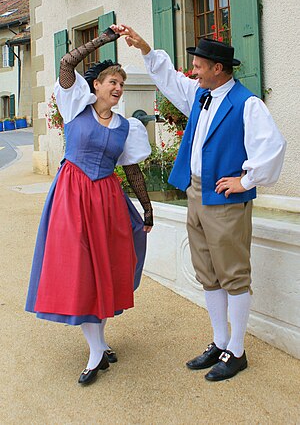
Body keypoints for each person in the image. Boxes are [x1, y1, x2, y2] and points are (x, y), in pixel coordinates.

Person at [112, 24, 286, 381]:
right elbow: (169, 79)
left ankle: (236, 351)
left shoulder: (247, 103)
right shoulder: (201, 95)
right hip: (196, 192)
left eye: (199, 65)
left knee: (233, 274)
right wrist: (145, 48)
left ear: (217, 69)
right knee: (207, 272)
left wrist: (246, 180)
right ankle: (220, 342)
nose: (193, 70)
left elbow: (272, 147)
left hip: (224, 199)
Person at [25, 27, 153, 385]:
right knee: (80, 269)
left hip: (108, 200)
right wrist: (100, 42)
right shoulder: (73, 106)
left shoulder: (127, 127)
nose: (117, 88)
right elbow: (67, 63)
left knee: (106, 270)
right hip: (72, 196)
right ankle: (96, 352)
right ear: (95, 85)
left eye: (121, 84)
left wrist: (147, 207)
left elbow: (132, 169)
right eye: (112, 81)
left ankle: (100, 342)